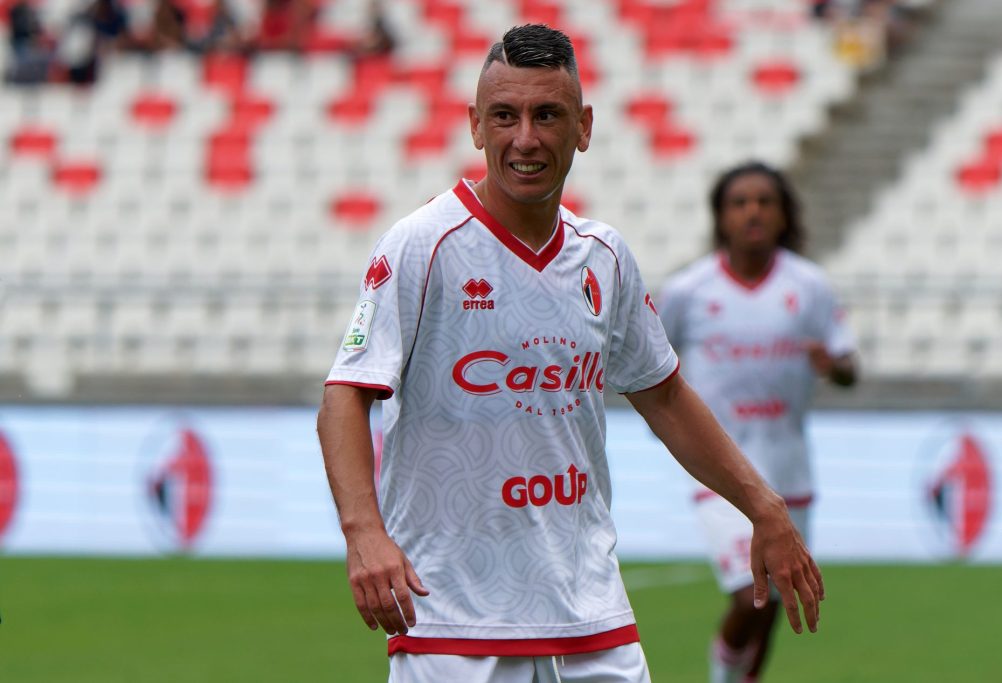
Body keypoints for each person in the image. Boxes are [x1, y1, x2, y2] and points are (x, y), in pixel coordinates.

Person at [317, 26, 824, 683]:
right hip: (454, 622)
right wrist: (363, 532)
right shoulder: (423, 244)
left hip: (591, 618)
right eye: (505, 116)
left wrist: (764, 506)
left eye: (547, 115)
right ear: (475, 126)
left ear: (583, 127)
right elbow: (344, 395)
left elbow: (666, 395)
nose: (525, 138)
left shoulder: (603, 256)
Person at [658, 161, 858, 683]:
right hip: (720, 471)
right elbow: (648, 361)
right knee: (753, 592)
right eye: (740, 202)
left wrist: (834, 366)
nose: (753, 212)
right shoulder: (689, 290)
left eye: (765, 202)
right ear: (721, 216)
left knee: (776, 597)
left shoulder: (810, 286)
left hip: (789, 468)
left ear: (784, 214)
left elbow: (848, 366)